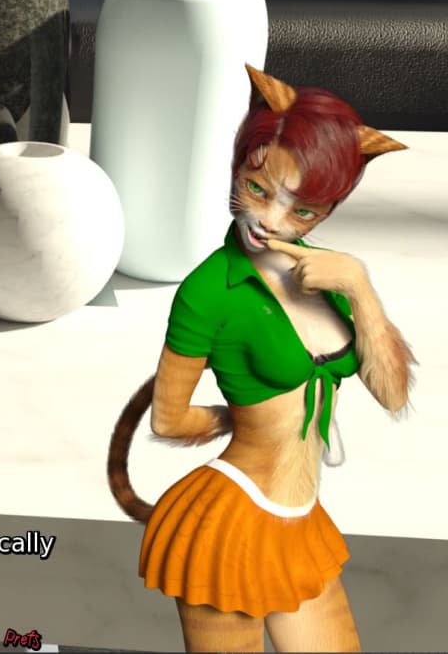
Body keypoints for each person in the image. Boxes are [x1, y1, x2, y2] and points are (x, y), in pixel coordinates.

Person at [106, 65, 414, 652]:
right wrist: (236, 419)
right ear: (239, 164)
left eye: (303, 211)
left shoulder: (329, 273)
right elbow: (168, 419)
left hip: (300, 520)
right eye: (257, 189)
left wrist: (359, 287)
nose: (271, 220)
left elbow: (394, 394)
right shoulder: (209, 290)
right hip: (229, 520)